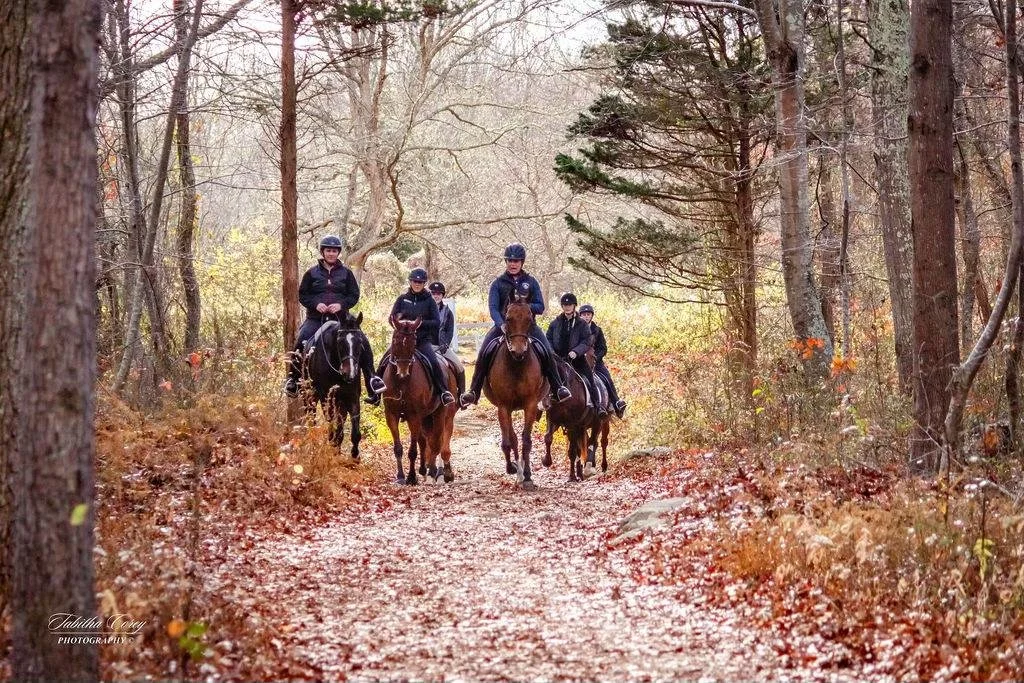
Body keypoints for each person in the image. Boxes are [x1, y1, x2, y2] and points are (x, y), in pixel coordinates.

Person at [459, 243, 571, 408]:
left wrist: (525, 308)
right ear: (506, 262)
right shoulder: (498, 283)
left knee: (547, 350)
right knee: (484, 351)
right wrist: (501, 324)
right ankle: (473, 391)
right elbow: (493, 308)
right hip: (504, 326)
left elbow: (540, 306)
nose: (513, 264)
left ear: (522, 262)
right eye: (510, 260)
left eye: (516, 261)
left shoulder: (531, 282)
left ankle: (558, 387)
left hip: (528, 327)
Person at [285, 234, 385, 399]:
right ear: (323, 252)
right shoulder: (311, 273)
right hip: (316, 319)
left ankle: (372, 379)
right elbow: (303, 295)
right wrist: (316, 304)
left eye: (334, 251)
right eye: (328, 250)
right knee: (301, 340)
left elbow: (354, 295)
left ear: (338, 253)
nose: (331, 254)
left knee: (362, 340)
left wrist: (341, 305)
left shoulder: (346, 273)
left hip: (341, 319)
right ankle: (293, 380)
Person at [375, 268, 456, 407]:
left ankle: (443, 392)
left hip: (421, 341)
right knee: (384, 360)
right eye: (415, 281)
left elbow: (436, 322)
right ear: (410, 282)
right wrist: (398, 321)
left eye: (420, 282)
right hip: (401, 341)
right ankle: (375, 392)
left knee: (434, 362)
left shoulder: (430, 301)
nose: (417, 284)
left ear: (424, 283)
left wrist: (419, 324)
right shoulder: (402, 299)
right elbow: (392, 318)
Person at [546, 293, 605, 416]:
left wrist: (576, 351)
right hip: (558, 359)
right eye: (565, 305)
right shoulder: (555, 323)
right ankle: (539, 408)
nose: (567, 307)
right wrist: (552, 352)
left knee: (590, 378)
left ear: (574, 306)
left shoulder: (582, 324)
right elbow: (548, 339)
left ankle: (598, 406)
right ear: (562, 306)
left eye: (570, 305)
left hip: (576, 359)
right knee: (544, 376)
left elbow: (587, 340)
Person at [580, 303, 627, 418]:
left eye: (588, 314)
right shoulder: (576, 329)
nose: (586, 317)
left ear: (591, 316)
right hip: (579, 361)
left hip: (596, 362)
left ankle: (616, 403)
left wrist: (596, 357)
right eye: (584, 314)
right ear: (580, 316)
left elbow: (603, 348)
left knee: (607, 378)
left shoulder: (597, 330)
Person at [429, 281, 466, 403]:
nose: (436, 296)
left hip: (441, 346)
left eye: (438, 294)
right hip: (425, 345)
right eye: (433, 293)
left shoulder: (447, 312)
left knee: (460, 367)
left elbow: (450, 330)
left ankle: (462, 396)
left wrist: (446, 344)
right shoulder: (424, 310)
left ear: (442, 295)